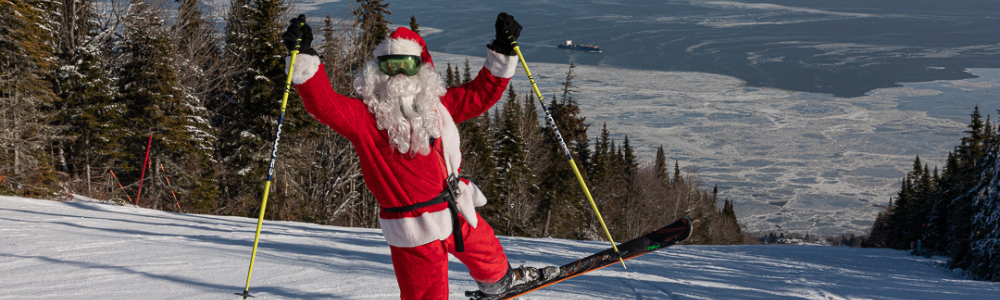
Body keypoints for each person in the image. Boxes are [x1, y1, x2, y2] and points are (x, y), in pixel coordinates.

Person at [281, 13, 557, 299]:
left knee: (488, 253)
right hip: (411, 229)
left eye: (407, 65)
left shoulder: (438, 107)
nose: (399, 75)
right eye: (391, 65)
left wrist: (502, 49)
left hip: (452, 206)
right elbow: (325, 105)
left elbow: (480, 94)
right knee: (425, 292)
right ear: (377, 71)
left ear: (421, 69)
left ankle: (499, 283)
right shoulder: (365, 119)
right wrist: (304, 57)